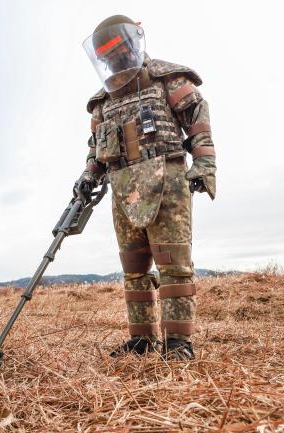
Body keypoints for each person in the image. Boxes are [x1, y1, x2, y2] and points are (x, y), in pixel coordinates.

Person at [75, 15, 216, 360]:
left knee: (173, 264)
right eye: (107, 54)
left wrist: (204, 163)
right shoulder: (102, 103)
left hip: (167, 180)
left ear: (130, 44)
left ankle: (178, 344)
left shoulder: (169, 78)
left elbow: (198, 121)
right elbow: (96, 147)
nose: (115, 58)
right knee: (134, 268)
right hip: (122, 185)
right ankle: (141, 341)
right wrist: (88, 175)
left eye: (118, 49)